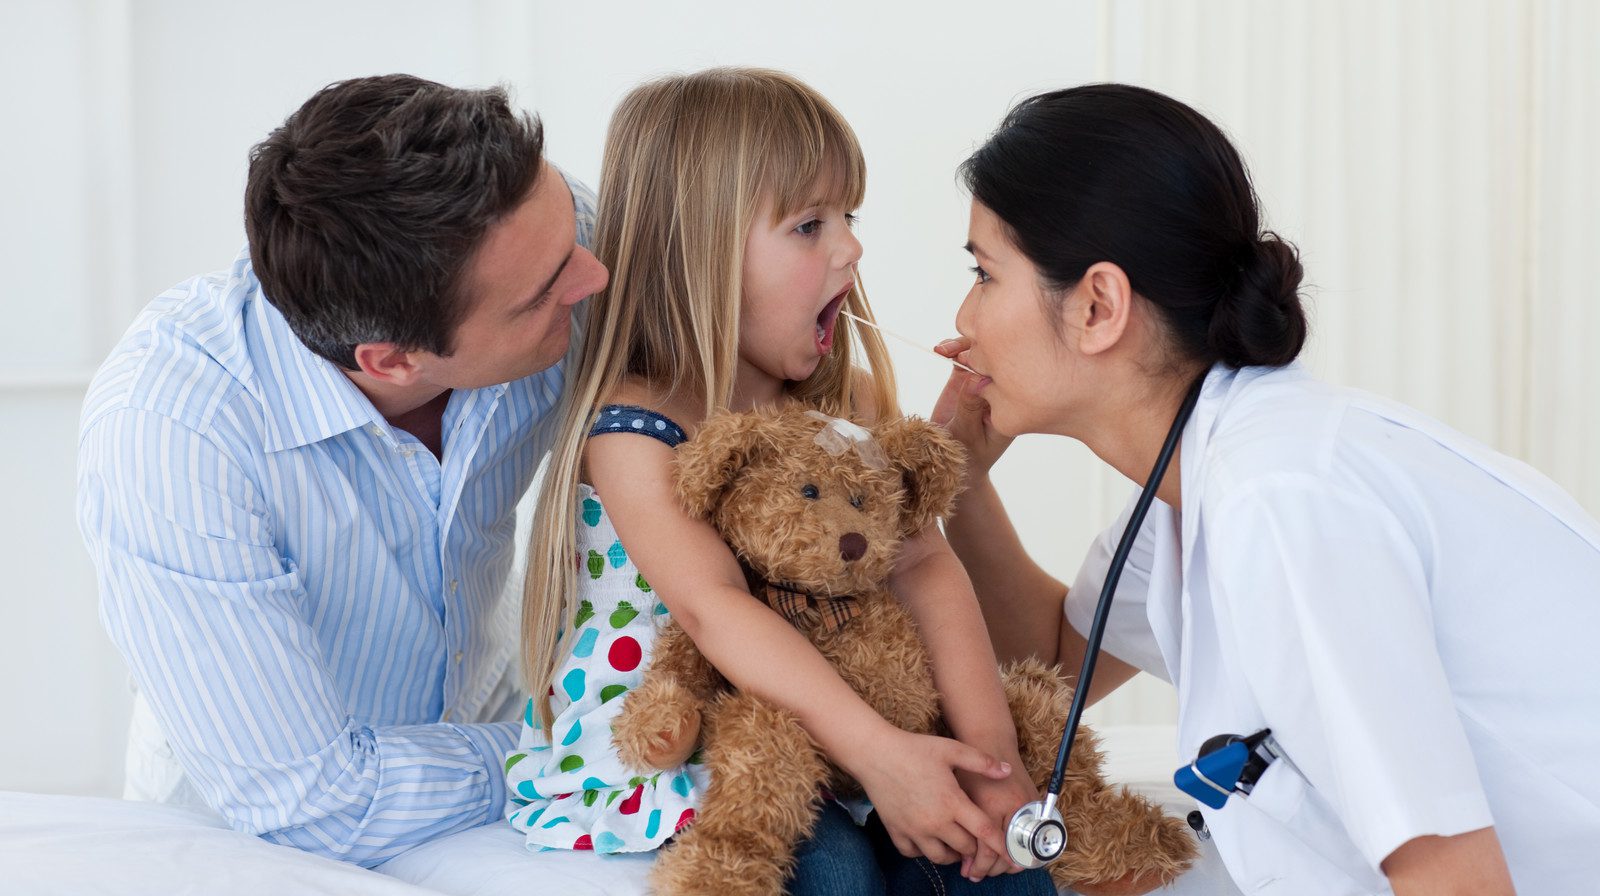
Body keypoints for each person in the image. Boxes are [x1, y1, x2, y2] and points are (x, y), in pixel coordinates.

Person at [931, 83, 1600, 895]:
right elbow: (1052, 661)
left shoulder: (1281, 498)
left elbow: (1453, 880)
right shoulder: (1201, 480)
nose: (963, 318)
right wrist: (953, 479)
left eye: (984, 274)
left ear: (1098, 306)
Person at [507, 68, 1052, 895]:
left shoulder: (847, 408)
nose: (852, 248)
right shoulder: (638, 428)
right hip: (706, 741)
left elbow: (922, 567)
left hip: (845, 729)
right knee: (825, 868)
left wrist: (992, 760)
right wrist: (877, 755)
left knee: (996, 863)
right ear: (702, 250)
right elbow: (712, 607)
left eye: (849, 216)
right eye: (809, 225)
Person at [76, 74, 608, 867]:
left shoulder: (541, 246)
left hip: (496, 754)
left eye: (571, 232)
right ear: (392, 360)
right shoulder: (173, 431)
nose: (595, 278)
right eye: (545, 295)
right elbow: (306, 803)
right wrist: (591, 738)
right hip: (250, 841)